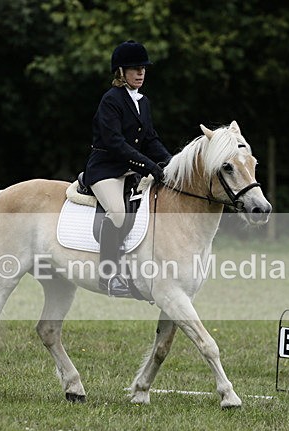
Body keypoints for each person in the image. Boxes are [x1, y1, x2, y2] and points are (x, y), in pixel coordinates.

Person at [83, 40, 172, 297]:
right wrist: (148, 165)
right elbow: (115, 143)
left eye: (143, 68)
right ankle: (108, 276)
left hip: (130, 171)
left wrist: (171, 164)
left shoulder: (143, 102)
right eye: (135, 68)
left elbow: (151, 139)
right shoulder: (110, 100)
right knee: (118, 213)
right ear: (121, 71)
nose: (141, 73)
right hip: (105, 170)